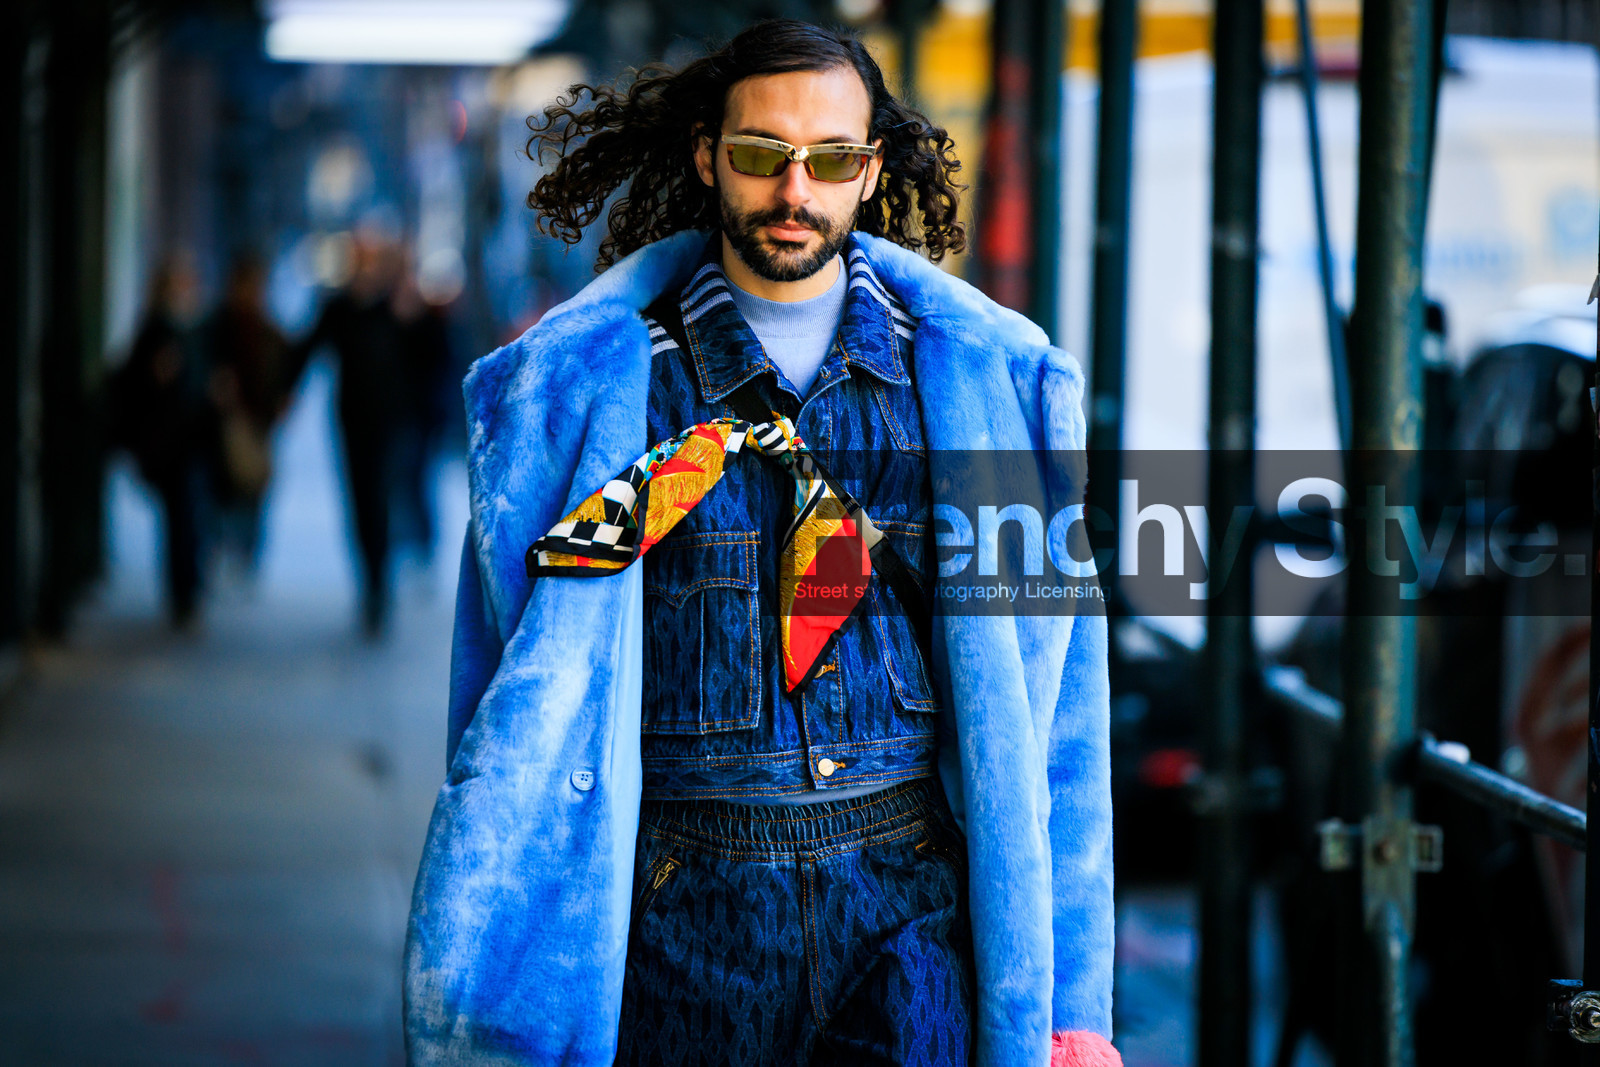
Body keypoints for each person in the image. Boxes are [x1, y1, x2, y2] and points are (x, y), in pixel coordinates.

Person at [405, 20, 1115, 1067]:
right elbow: (502, 709)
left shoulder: (983, 393)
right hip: (678, 930)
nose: (795, 190)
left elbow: (1063, 724)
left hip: (909, 920)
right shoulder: (597, 399)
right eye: (760, 155)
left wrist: (1070, 1001)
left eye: (831, 159)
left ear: (869, 172)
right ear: (708, 155)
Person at [292, 229, 405, 636]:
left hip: (390, 421)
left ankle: (380, 584)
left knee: (380, 499)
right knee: (360, 502)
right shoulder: (338, 308)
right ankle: (371, 584)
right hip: (352, 420)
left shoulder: (395, 305)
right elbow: (305, 352)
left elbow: (423, 358)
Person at [112, 254, 214, 629]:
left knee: (191, 515)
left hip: (194, 437)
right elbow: (135, 384)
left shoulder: (197, 327)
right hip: (169, 442)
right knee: (180, 517)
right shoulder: (156, 331)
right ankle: (183, 591)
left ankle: (191, 585)